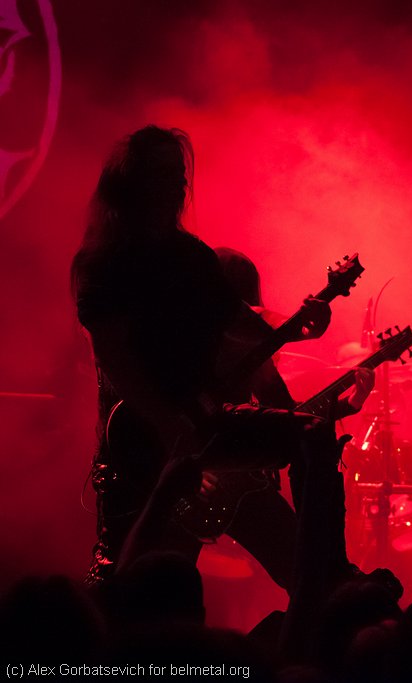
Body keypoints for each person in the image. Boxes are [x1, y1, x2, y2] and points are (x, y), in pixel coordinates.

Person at [72, 125, 354, 587]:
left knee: (313, 436)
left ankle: (329, 572)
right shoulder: (106, 262)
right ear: (135, 182)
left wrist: (298, 327)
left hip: (201, 425)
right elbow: (114, 357)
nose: (178, 186)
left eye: (180, 175)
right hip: (140, 440)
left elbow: (237, 318)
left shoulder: (192, 256)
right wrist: (168, 426)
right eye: (165, 174)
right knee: (134, 577)